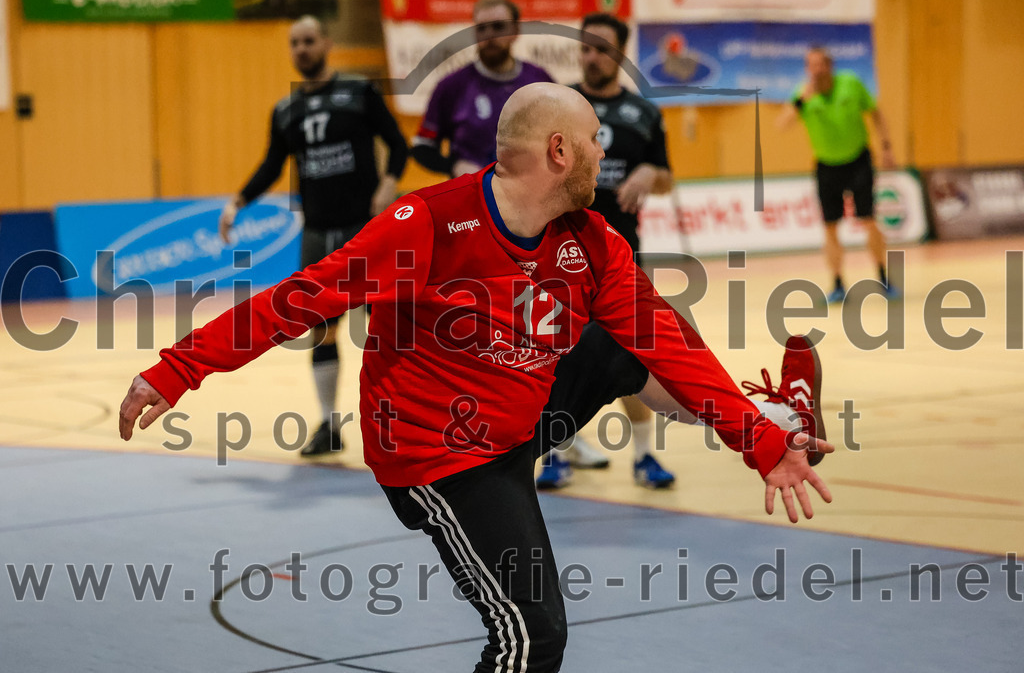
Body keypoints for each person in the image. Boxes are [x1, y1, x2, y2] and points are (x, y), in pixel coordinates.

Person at [120, 83, 833, 673]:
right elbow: (297, 300)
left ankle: (780, 423)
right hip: (444, 459)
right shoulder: (426, 225)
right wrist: (177, 370)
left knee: (642, 336)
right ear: (559, 151)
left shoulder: (592, 240)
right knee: (532, 635)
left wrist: (758, 445)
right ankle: (774, 426)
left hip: (522, 411)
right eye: (593, 140)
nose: (602, 153)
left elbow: (665, 346)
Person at [218, 15, 409, 456]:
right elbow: (271, 165)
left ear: (325, 42)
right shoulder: (286, 110)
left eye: (309, 41)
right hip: (318, 233)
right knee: (320, 328)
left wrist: (389, 181)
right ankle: (329, 424)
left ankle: (401, 422)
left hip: (366, 229)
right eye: (295, 43)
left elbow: (398, 143)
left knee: (389, 326)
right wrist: (237, 203)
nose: (302, 49)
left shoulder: (359, 93)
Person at [537, 12, 678, 490]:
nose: (590, 56)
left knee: (630, 352)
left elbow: (667, 176)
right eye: (585, 47)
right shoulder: (560, 107)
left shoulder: (645, 113)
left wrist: (649, 176)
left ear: (618, 54)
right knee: (552, 355)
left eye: (600, 48)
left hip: (621, 257)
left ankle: (643, 457)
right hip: (559, 254)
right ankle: (553, 453)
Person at [777, 46, 898, 304]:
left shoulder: (851, 84)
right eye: (811, 65)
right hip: (826, 166)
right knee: (830, 227)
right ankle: (838, 283)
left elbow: (876, 113)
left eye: (820, 64)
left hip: (858, 161)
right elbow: (782, 124)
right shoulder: (803, 95)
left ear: (830, 66)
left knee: (868, 219)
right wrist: (801, 101)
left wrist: (886, 146)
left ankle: (883, 277)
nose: (816, 70)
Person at [410, 0, 553, 177]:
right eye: (481, 28)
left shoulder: (540, 81)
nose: (490, 35)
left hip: (533, 193)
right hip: (473, 196)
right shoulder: (451, 86)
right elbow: (423, 147)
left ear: (515, 31)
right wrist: (454, 165)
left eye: (498, 27)